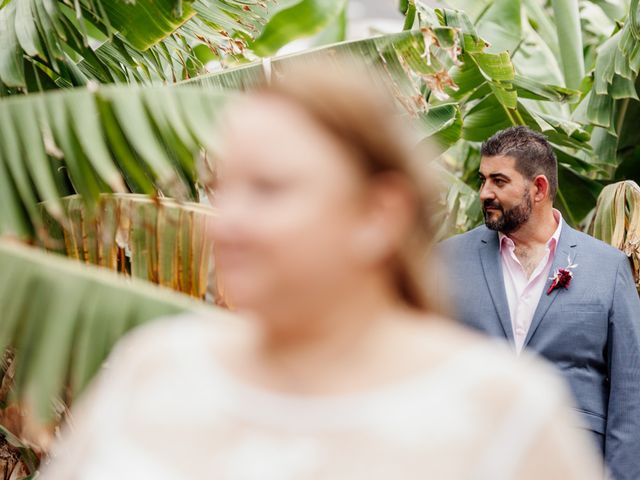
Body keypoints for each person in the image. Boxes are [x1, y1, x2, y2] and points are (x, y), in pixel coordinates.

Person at [43, 65, 602, 479]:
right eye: (222, 190)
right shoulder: (152, 369)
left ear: (377, 214)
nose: (225, 223)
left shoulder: (507, 415)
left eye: (269, 189)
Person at [440, 126, 640, 480]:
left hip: (572, 464)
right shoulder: (449, 259)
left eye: (499, 181)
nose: (485, 192)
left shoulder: (606, 267)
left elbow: (630, 388)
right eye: (482, 179)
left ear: (539, 188)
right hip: (470, 458)